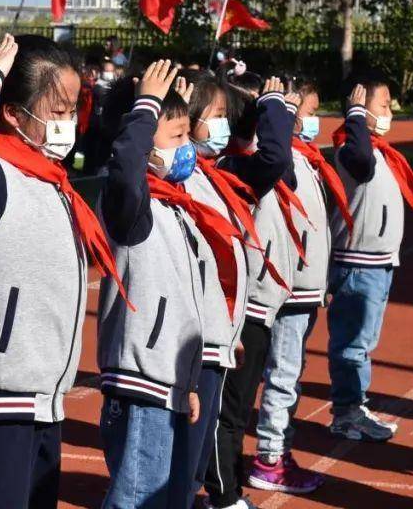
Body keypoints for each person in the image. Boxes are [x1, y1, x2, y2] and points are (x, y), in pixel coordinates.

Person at [0, 34, 126, 509]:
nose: (68, 125)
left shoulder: (53, 181)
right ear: (13, 113)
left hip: (42, 398)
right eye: (56, 112)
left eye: (71, 112)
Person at [98, 59, 242, 508]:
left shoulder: (174, 204)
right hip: (142, 380)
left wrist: (190, 381)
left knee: (168, 494)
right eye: (176, 137)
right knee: (138, 497)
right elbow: (125, 166)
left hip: (172, 379)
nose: (188, 147)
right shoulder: (131, 204)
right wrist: (145, 107)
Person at [249, 76, 351, 493]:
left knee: (288, 373)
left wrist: (322, 278)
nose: (315, 121)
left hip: (306, 287)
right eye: (307, 113)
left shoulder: (307, 159)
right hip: (288, 290)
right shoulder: (280, 158)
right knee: (282, 375)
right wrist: (278, 109)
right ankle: (270, 456)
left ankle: (275, 449)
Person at [203, 71, 298, 509]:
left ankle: (225, 486)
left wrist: (273, 108)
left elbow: (283, 165)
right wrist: (275, 105)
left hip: (253, 306)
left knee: (234, 409)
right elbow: (276, 158)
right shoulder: (231, 168)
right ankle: (224, 494)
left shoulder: (238, 163)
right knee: (229, 411)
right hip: (236, 311)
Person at [326, 76, 413, 441]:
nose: (390, 112)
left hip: (378, 263)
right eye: (383, 105)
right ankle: (346, 412)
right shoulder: (351, 150)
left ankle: (353, 406)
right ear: (358, 106)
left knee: (363, 341)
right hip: (358, 265)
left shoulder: (377, 150)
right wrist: (356, 116)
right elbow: (360, 160)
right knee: (353, 343)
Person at [179, 68, 259, 507]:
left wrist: (231, 329)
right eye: (217, 114)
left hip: (218, 335)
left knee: (195, 448)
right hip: (198, 341)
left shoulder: (211, 173)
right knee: (187, 449)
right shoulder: (183, 181)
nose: (225, 124)